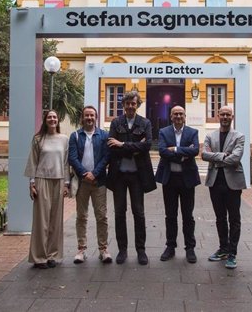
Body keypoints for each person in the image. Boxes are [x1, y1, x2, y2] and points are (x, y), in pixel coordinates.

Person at [106, 91, 156, 265]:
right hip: (118, 176)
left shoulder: (145, 122)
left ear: (138, 104)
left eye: (133, 103)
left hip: (137, 176)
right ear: (123, 105)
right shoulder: (116, 122)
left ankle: (141, 250)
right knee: (119, 213)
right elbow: (111, 147)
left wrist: (122, 144)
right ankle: (122, 249)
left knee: (138, 213)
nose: (130, 106)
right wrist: (135, 147)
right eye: (127, 103)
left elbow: (147, 145)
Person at [201, 105, 246, 269]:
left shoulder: (239, 136)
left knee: (234, 218)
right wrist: (223, 155)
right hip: (215, 182)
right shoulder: (210, 136)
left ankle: (232, 253)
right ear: (218, 116)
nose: (225, 117)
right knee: (220, 218)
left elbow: (235, 158)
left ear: (232, 117)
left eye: (228, 114)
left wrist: (215, 158)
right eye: (222, 114)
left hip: (233, 183)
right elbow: (204, 155)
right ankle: (223, 249)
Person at [24, 110, 69, 269]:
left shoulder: (64, 139)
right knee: (41, 220)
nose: (52, 119)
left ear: (58, 120)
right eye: (49, 117)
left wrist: (66, 184)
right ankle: (39, 257)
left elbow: (65, 163)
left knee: (56, 221)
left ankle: (52, 255)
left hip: (59, 180)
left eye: (55, 117)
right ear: (45, 120)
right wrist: (32, 183)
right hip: (42, 180)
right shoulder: (38, 139)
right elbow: (33, 161)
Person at [68, 105, 112, 264]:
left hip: (99, 181)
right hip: (81, 183)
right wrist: (84, 174)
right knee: (81, 216)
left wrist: (94, 173)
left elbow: (107, 157)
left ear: (96, 117)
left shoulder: (103, 135)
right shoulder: (75, 136)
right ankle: (81, 249)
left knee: (102, 216)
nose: (89, 118)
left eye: (92, 115)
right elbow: (72, 158)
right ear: (82, 117)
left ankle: (103, 249)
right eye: (86, 115)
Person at [156, 105, 200, 263]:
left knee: (188, 216)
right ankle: (170, 247)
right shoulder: (164, 132)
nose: (178, 116)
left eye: (181, 114)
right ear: (171, 116)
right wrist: (182, 154)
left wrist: (174, 149)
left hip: (187, 179)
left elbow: (195, 151)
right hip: (170, 179)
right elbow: (161, 151)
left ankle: (190, 248)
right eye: (175, 114)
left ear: (185, 116)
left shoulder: (193, 132)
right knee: (170, 215)